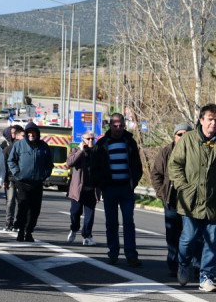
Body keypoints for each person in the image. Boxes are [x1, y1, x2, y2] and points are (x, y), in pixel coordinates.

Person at [168, 105, 216, 291]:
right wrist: (183, 187)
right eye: (210, 118)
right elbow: (175, 165)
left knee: (213, 240)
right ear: (202, 120)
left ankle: (207, 276)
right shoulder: (188, 140)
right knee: (189, 238)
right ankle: (183, 264)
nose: (213, 122)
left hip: (213, 202)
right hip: (190, 201)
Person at [91, 113, 143, 267]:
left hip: (126, 188)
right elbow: (94, 167)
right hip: (110, 189)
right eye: (115, 126)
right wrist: (101, 185)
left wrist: (133, 182)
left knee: (128, 222)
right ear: (110, 126)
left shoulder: (130, 142)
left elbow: (137, 165)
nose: (118, 129)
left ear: (124, 126)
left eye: (120, 126)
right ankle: (113, 253)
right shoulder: (101, 144)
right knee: (111, 223)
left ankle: (131, 255)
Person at [149, 122, 193, 277]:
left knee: (190, 235)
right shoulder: (166, 152)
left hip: (190, 202)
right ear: (175, 136)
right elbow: (156, 174)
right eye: (179, 134)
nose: (182, 137)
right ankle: (173, 265)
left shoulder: (195, 151)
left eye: (186, 134)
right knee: (173, 235)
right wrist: (162, 194)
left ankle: (190, 264)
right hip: (171, 201)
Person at [7, 122, 52, 242]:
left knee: (35, 210)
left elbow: (49, 164)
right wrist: (17, 174)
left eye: (34, 132)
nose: (31, 134)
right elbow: (11, 160)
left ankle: (29, 232)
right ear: (26, 134)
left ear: (37, 133)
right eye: (29, 132)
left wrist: (44, 175)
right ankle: (21, 231)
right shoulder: (19, 145)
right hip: (22, 183)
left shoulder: (44, 146)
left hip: (37, 184)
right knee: (23, 207)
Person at [66, 131, 99, 247]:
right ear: (82, 139)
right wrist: (80, 150)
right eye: (88, 139)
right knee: (75, 213)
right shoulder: (76, 150)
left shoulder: (97, 152)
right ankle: (74, 229)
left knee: (89, 215)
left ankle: (87, 236)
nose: (90, 141)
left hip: (91, 190)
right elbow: (69, 162)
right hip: (78, 191)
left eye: (92, 139)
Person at [3, 124, 24, 232]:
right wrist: (4, 180)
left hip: (22, 179)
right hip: (10, 179)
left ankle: (18, 223)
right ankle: (8, 223)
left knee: (21, 201)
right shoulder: (8, 149)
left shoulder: (25, 149)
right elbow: (4, 166)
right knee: (10, 201)